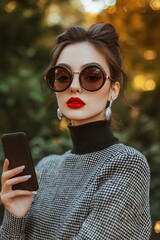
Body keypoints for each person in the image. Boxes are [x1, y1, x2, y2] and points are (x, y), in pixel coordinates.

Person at [0, 22, 151, 239]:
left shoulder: (126, 164)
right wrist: (14, 216)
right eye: (63, 76)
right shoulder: (45, 168)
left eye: (91, 76)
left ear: (113, 90)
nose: (74, 86)